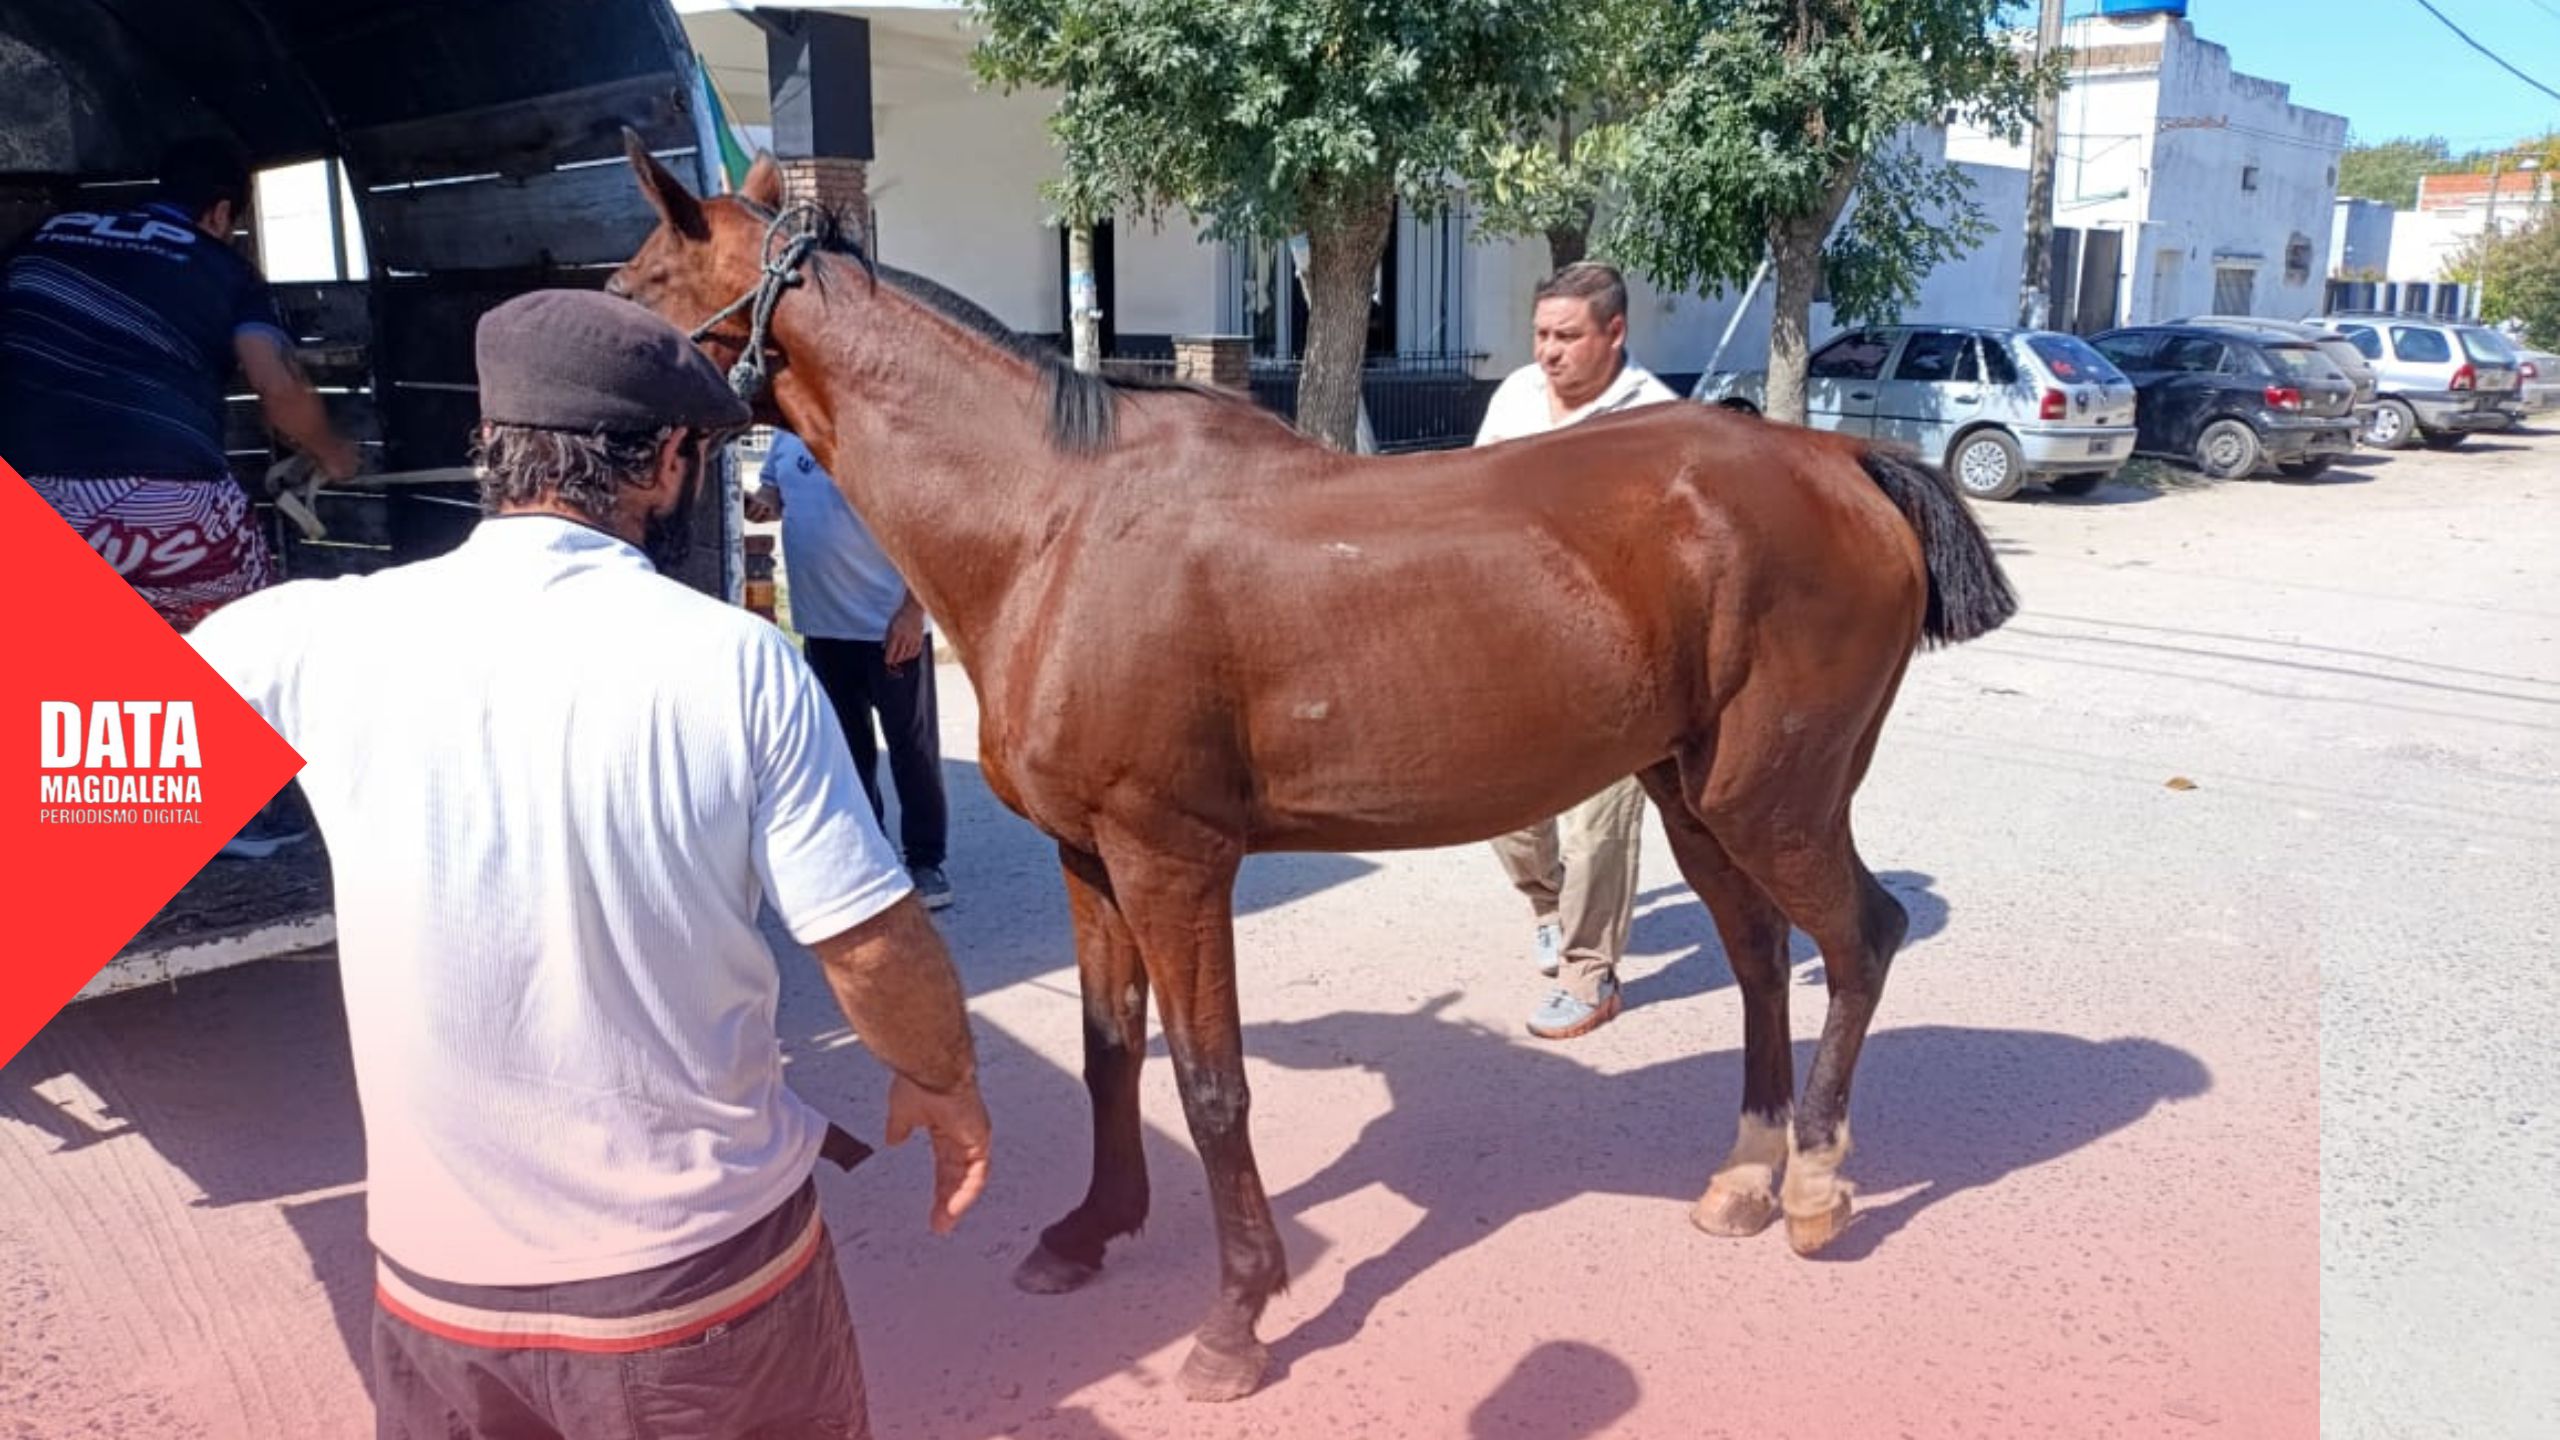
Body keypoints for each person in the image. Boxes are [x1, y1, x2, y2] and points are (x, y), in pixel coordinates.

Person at [186, 289, 993, 1439]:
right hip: (698, 1289)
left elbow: (74, 784)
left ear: (491, 449)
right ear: (667, 460)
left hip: (437, 1296)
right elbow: (866, 943)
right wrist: (942, 1077)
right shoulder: (740, 666)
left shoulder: (298, 638)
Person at [2, 138, 361, 859]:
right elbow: (280, 390)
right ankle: (238, 818)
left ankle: (83, 805)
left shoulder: (42, 240)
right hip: (158, 497)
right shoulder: (222, 265)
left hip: (24, 497)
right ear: (221, 212)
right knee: (249, 620)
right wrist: (333, 455)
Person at [1474, 261, 1679, 1041]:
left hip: (1618, 657)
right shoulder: (1517, 396)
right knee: (1503, 805)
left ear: (1615, 333)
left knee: (1602, 821)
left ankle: (1589, 972)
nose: (1549, 352)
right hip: (1518, 644)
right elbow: (1476, 495)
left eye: (1567, 336)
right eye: (1541, 335)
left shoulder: (1654, 420)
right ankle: (1547, 902)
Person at [750, 431, 954, 910]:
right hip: (823, 626)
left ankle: (926, 861)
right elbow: (773, 495)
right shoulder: (784, 440)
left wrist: (913, 612)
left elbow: (925, 533)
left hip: (888, 627)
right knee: (845, 747)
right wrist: (758, 503)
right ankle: (869, 852)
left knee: (912, 749)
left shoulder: (877, 434)